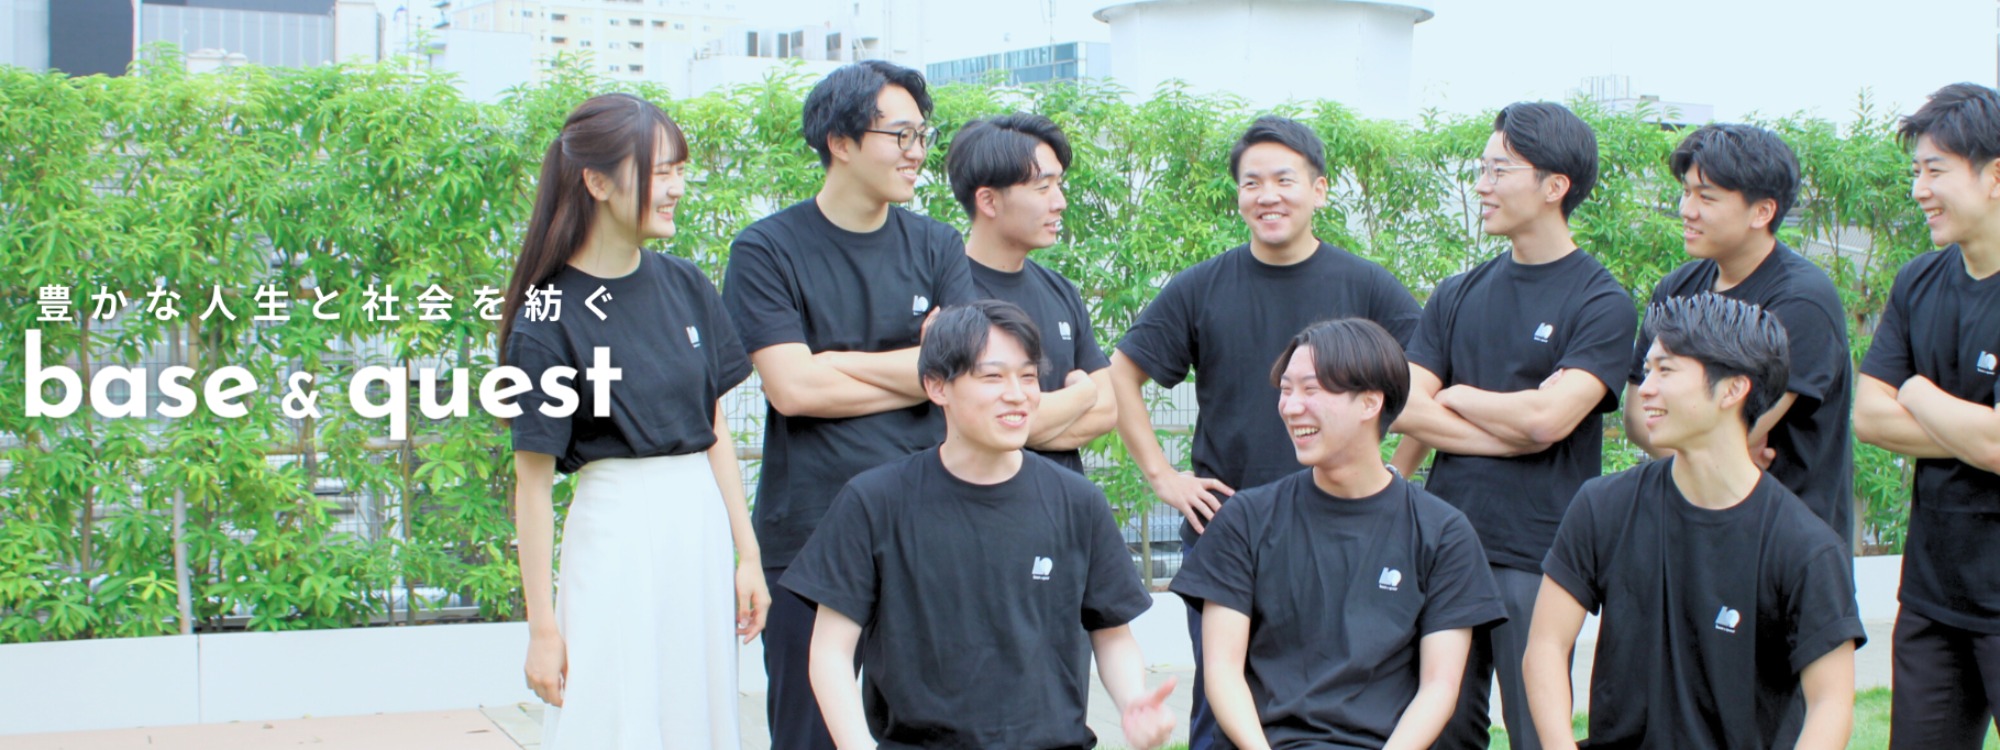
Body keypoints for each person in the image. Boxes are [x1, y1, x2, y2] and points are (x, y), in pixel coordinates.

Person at [1109, 115, 1422, 748]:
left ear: (1320, 190)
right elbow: (1121, 373)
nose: (1267, 195)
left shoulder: (1367, 286)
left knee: (1340, 701)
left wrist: (1399, 475)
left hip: (1345, 536)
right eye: (1252, 182)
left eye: (1284, 179)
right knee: (1221, 703)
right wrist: (1163, 477)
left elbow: (1421, 387)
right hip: (1226, 530)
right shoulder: (1202, 286)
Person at [721, 60, 979, 750]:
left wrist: (832, 361)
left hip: (930, 525)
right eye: (900, 135)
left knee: (938, 731)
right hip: (811, 532)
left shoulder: (936, 245)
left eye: (922, 135)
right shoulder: (766, 249)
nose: (917, 152)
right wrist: (918, 365)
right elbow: (792, 389)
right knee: (811, 733)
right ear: (840, 141)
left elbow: (963, 374)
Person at [782, 300, 1175, 750]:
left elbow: (1112, 636)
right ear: (937, 386)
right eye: (993, 377)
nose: (1017, 394)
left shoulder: (1078, 502)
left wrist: (1133, 702)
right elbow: (830, 651)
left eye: (1028, 376)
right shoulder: (873, 502)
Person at [503, 93, 766, 749]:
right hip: (616, 531)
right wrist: (542, 629)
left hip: (699, 528)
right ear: (596, 183)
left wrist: (748, 554)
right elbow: (532, 485)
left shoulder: (686, 285)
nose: (676, 188)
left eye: (680, 170)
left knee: (699, 715)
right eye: (659, 172)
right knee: (616, 717)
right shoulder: (547, 318)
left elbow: (713, 427)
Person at [1387, 102, 1636, 750]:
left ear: (1555, 186)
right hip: (1445, 547)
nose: (1482, 185)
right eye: (1482, 169)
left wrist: (1460, 394)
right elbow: (1404, 405)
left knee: (1537, 731)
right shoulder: (1456, 293)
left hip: (1540, 555)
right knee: (1439, 731)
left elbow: (1551, 418)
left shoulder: (1601, 301)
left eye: (1499, 170)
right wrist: (1519, 426)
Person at [1524, 294, 1864, 749]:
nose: (1644, 388)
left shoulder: (1806, 547)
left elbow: (1831, 704)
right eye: (1646, 370)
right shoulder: (1603, 506)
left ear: (1732, 390)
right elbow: (1545, 645)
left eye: (1665, 370)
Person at [1171, 318, 1506, 750]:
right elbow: (1222, 671)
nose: (1291, 407)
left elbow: (1439, 687)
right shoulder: (1244, 520)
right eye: (1286, 390)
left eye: (1311, 390)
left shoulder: (1443, 534)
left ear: (1370, 402)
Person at [1853, 81, 2000, 749]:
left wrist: (1913, 390)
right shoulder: (1919, 281)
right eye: (1916, 172)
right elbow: (1868, 418)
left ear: (1994, 176)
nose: (1919, 190)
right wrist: (1973, 428)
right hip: (1933, 595)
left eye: (1935, 171)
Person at [1624, 123, 1854, 546]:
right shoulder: (1677, 288)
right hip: (1692, 525)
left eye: (1706, 197)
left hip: (1785, 540)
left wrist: (1708, 444)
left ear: (1761, 212)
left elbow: (1741, 429)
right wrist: (1708, 456)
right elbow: (1639, 414)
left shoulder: (1802, 300)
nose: (1687, 210)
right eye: (1686, 192)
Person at [945, 113, 1117, 475]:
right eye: (1043, 187)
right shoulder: (949, 292)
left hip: (1061, 502)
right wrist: (1081, 395)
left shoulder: (1060, 290)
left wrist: (1015, 429)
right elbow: (967, 423)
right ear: (988, 201)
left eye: (1059, 184)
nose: (1060, 202)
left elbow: (1107, 409)